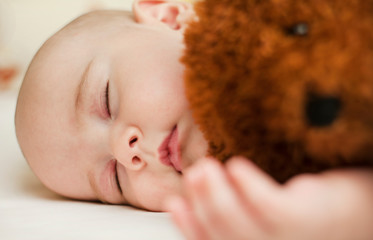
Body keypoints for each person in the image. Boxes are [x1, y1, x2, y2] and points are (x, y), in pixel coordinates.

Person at [15, 0, 373, 239]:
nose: (127, 153)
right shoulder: (260, 184)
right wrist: (331, 213)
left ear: (167, 16)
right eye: (115, 181)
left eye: (106, 101)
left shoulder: (269, 24)